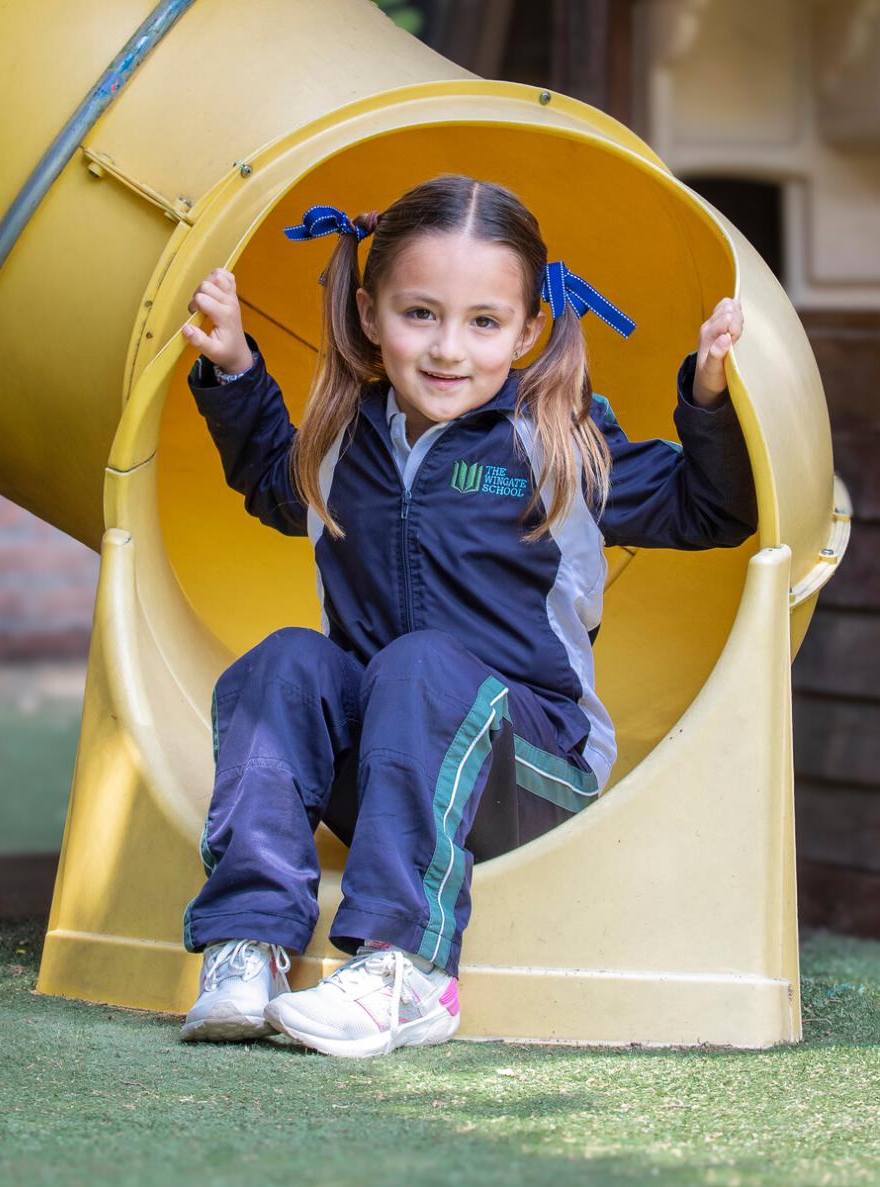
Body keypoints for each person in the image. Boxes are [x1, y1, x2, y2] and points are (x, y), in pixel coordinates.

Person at [178, 174, 757, 1058]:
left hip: (531, 770)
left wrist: (711, 400)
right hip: (386, 776)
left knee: (420, 663)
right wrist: (233, 371)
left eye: (484, 322)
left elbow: (710, 508)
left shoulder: (555, 440)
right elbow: (268, 478)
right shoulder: (342, 437)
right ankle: (248, 941)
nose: (449, 349)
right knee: (285, 660)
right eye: (421, 314)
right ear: (370, 314)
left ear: (526, 331)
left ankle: (407, 970)